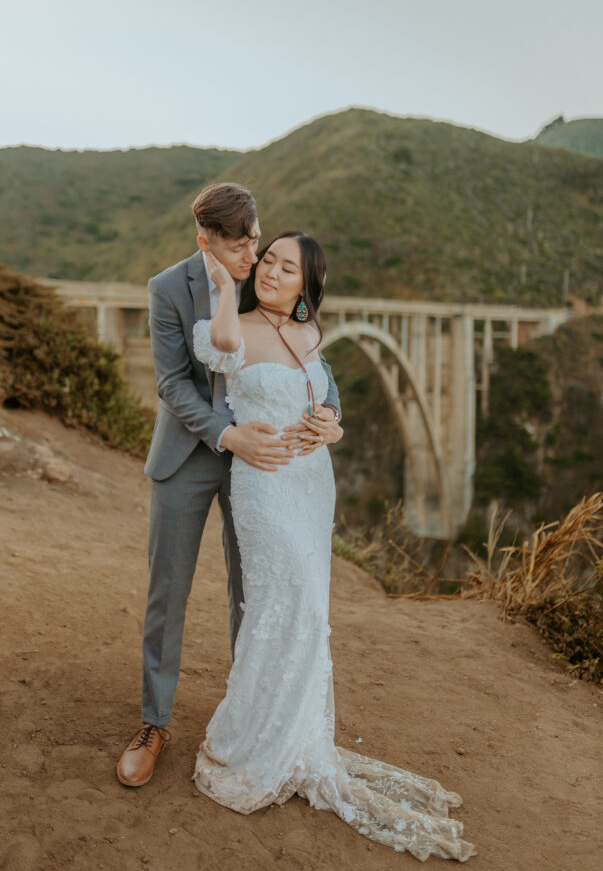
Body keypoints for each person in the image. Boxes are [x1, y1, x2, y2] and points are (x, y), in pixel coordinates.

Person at [190, 231, 477, 863]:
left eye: (286, 267)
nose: (271, 271)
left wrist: (334, 428)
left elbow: (329, 406)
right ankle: (254, 744)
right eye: (267, 261)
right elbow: (221, 350)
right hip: (264, 484)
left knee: (311, 615)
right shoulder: (236, 325)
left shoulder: (312, 337)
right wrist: (220, 287)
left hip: (312, 487)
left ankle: (297, 739)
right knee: (280, 607)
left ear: (305, 286)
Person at [116, 184, 342, 788]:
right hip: (190, 455)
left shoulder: (268, 278)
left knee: (256, 594)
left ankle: (253, 722)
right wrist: (227, 435)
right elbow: (172, 385)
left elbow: (309, 357)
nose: (253, 256)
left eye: (256, 240)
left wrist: (331, 417)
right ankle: (153, 723)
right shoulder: (168, 289)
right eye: (239, 246)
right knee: (169, 591)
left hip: (265, 470)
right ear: (205, 241)